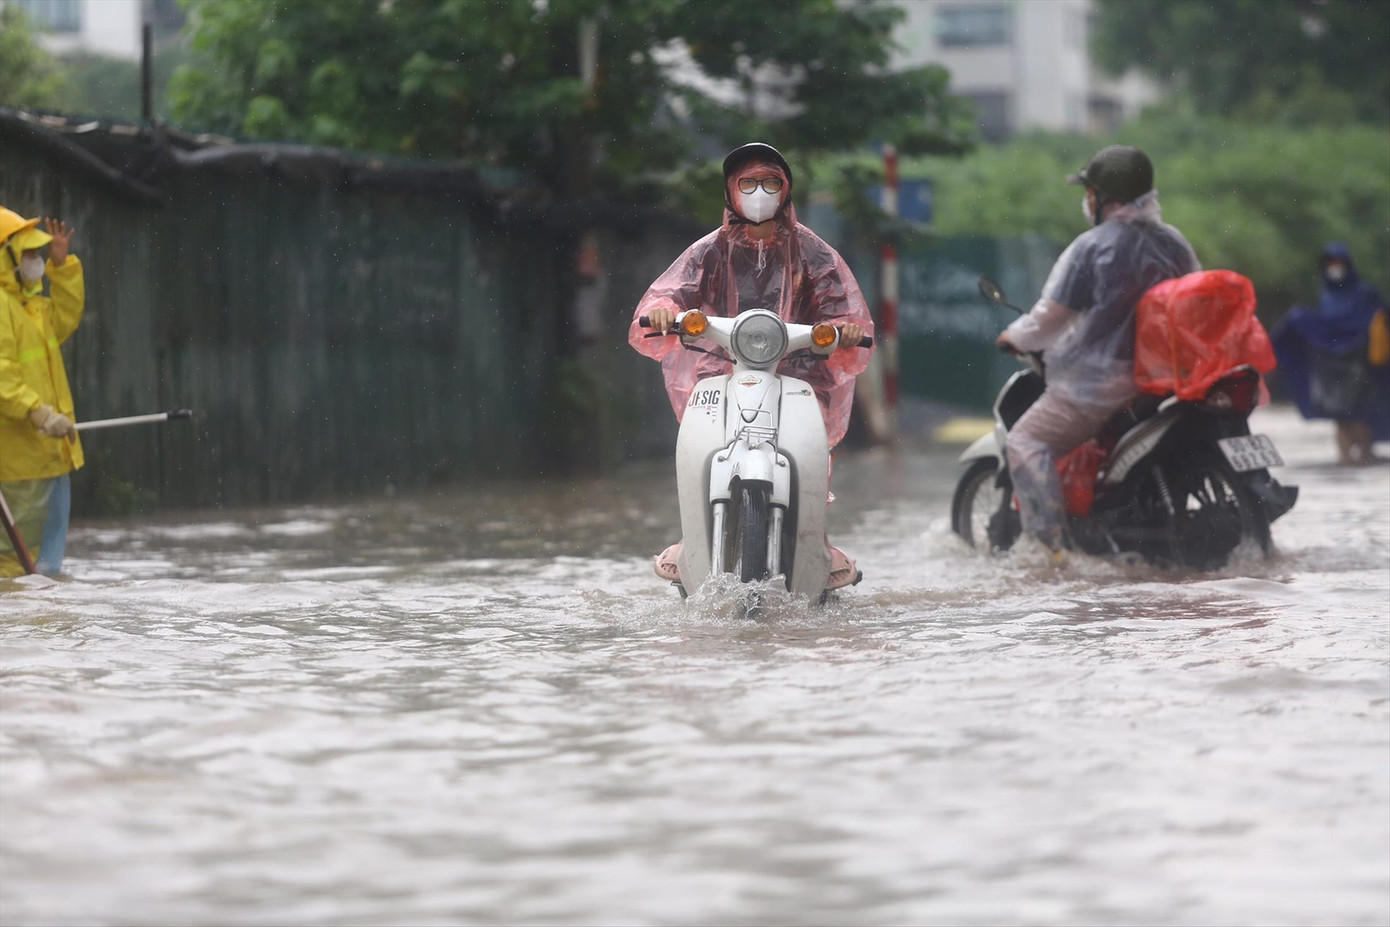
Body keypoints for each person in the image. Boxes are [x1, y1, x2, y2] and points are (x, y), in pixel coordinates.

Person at [628, 142, 874, 589]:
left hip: (801, 374)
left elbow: (843, 309)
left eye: (770, 182)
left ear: (786, 190)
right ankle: (693, 537)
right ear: (730, 190)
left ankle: (815, 539)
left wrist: (846, 329)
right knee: (696, 442)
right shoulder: (707, 251)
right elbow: (670, 293)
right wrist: (664, 309)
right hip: (719, 370)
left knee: (814, 451)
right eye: (748, 183)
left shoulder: (814, 254)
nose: (758, 192)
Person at [994, 145, 1200, 552]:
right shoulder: (1174, 242)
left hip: (1099, 388)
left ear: (1107, 197)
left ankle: (1048, 550)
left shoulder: (1091, 247)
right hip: (1164, 382)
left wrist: (1013, 337)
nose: (1086, 201)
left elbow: (1051, 318)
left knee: (1024, 441)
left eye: (1089, 192)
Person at [0, 208, 84, 578]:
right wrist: (40, 413)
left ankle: (47, 633)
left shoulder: (31, 305)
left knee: (45, 572)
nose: (36, 260)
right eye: (30, 253)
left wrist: (61, 267)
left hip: (51, 454)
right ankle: (25, 635)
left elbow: (66, 318)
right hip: (21, 465)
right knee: (17, 570)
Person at [1272, 244, 1389, 465]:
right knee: (1340, 417)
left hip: (1359, 364)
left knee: (1359, 414)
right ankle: (1345, 460)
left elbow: (1375, 325)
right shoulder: (1326, 294)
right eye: (1330, 264)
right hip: (1330, 367)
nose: (1334, 268)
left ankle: (1366, 455)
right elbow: (1326, 327)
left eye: (1338, 263)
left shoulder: (1365, 293)